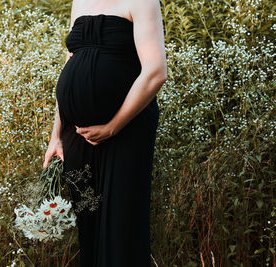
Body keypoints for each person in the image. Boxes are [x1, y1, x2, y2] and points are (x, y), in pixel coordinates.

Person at [43, 0, 167, 265]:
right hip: (77, 135)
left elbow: (155, 72)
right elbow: (71, 63)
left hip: (127, 131)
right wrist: (57, 135)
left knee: (122, 226)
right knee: (89, 225)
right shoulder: (80, 2)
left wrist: (113, 127)